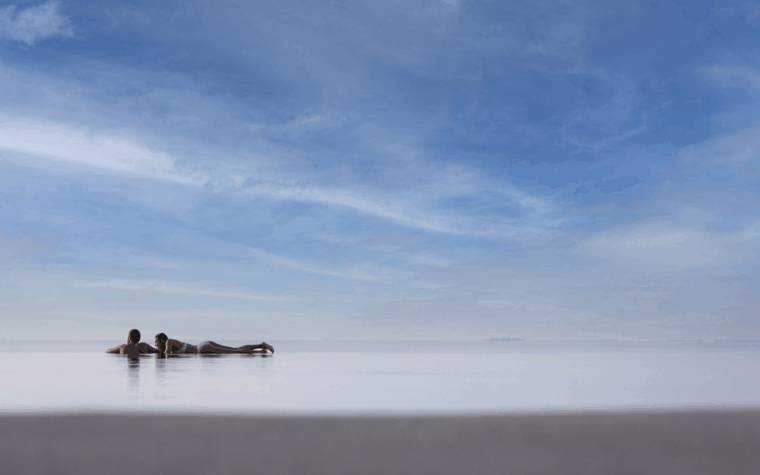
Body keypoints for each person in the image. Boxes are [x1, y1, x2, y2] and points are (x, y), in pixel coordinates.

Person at [154, 333, 274, 355]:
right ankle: (260, 346)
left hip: (201, 349)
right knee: (235, 349)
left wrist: (157, 352)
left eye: (156, 342)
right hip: (203, 345)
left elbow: (167, 354)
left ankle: (259, 352)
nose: (155, 344)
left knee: (235, 352)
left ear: (162, 340)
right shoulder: (172, 343)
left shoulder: (169, 342)